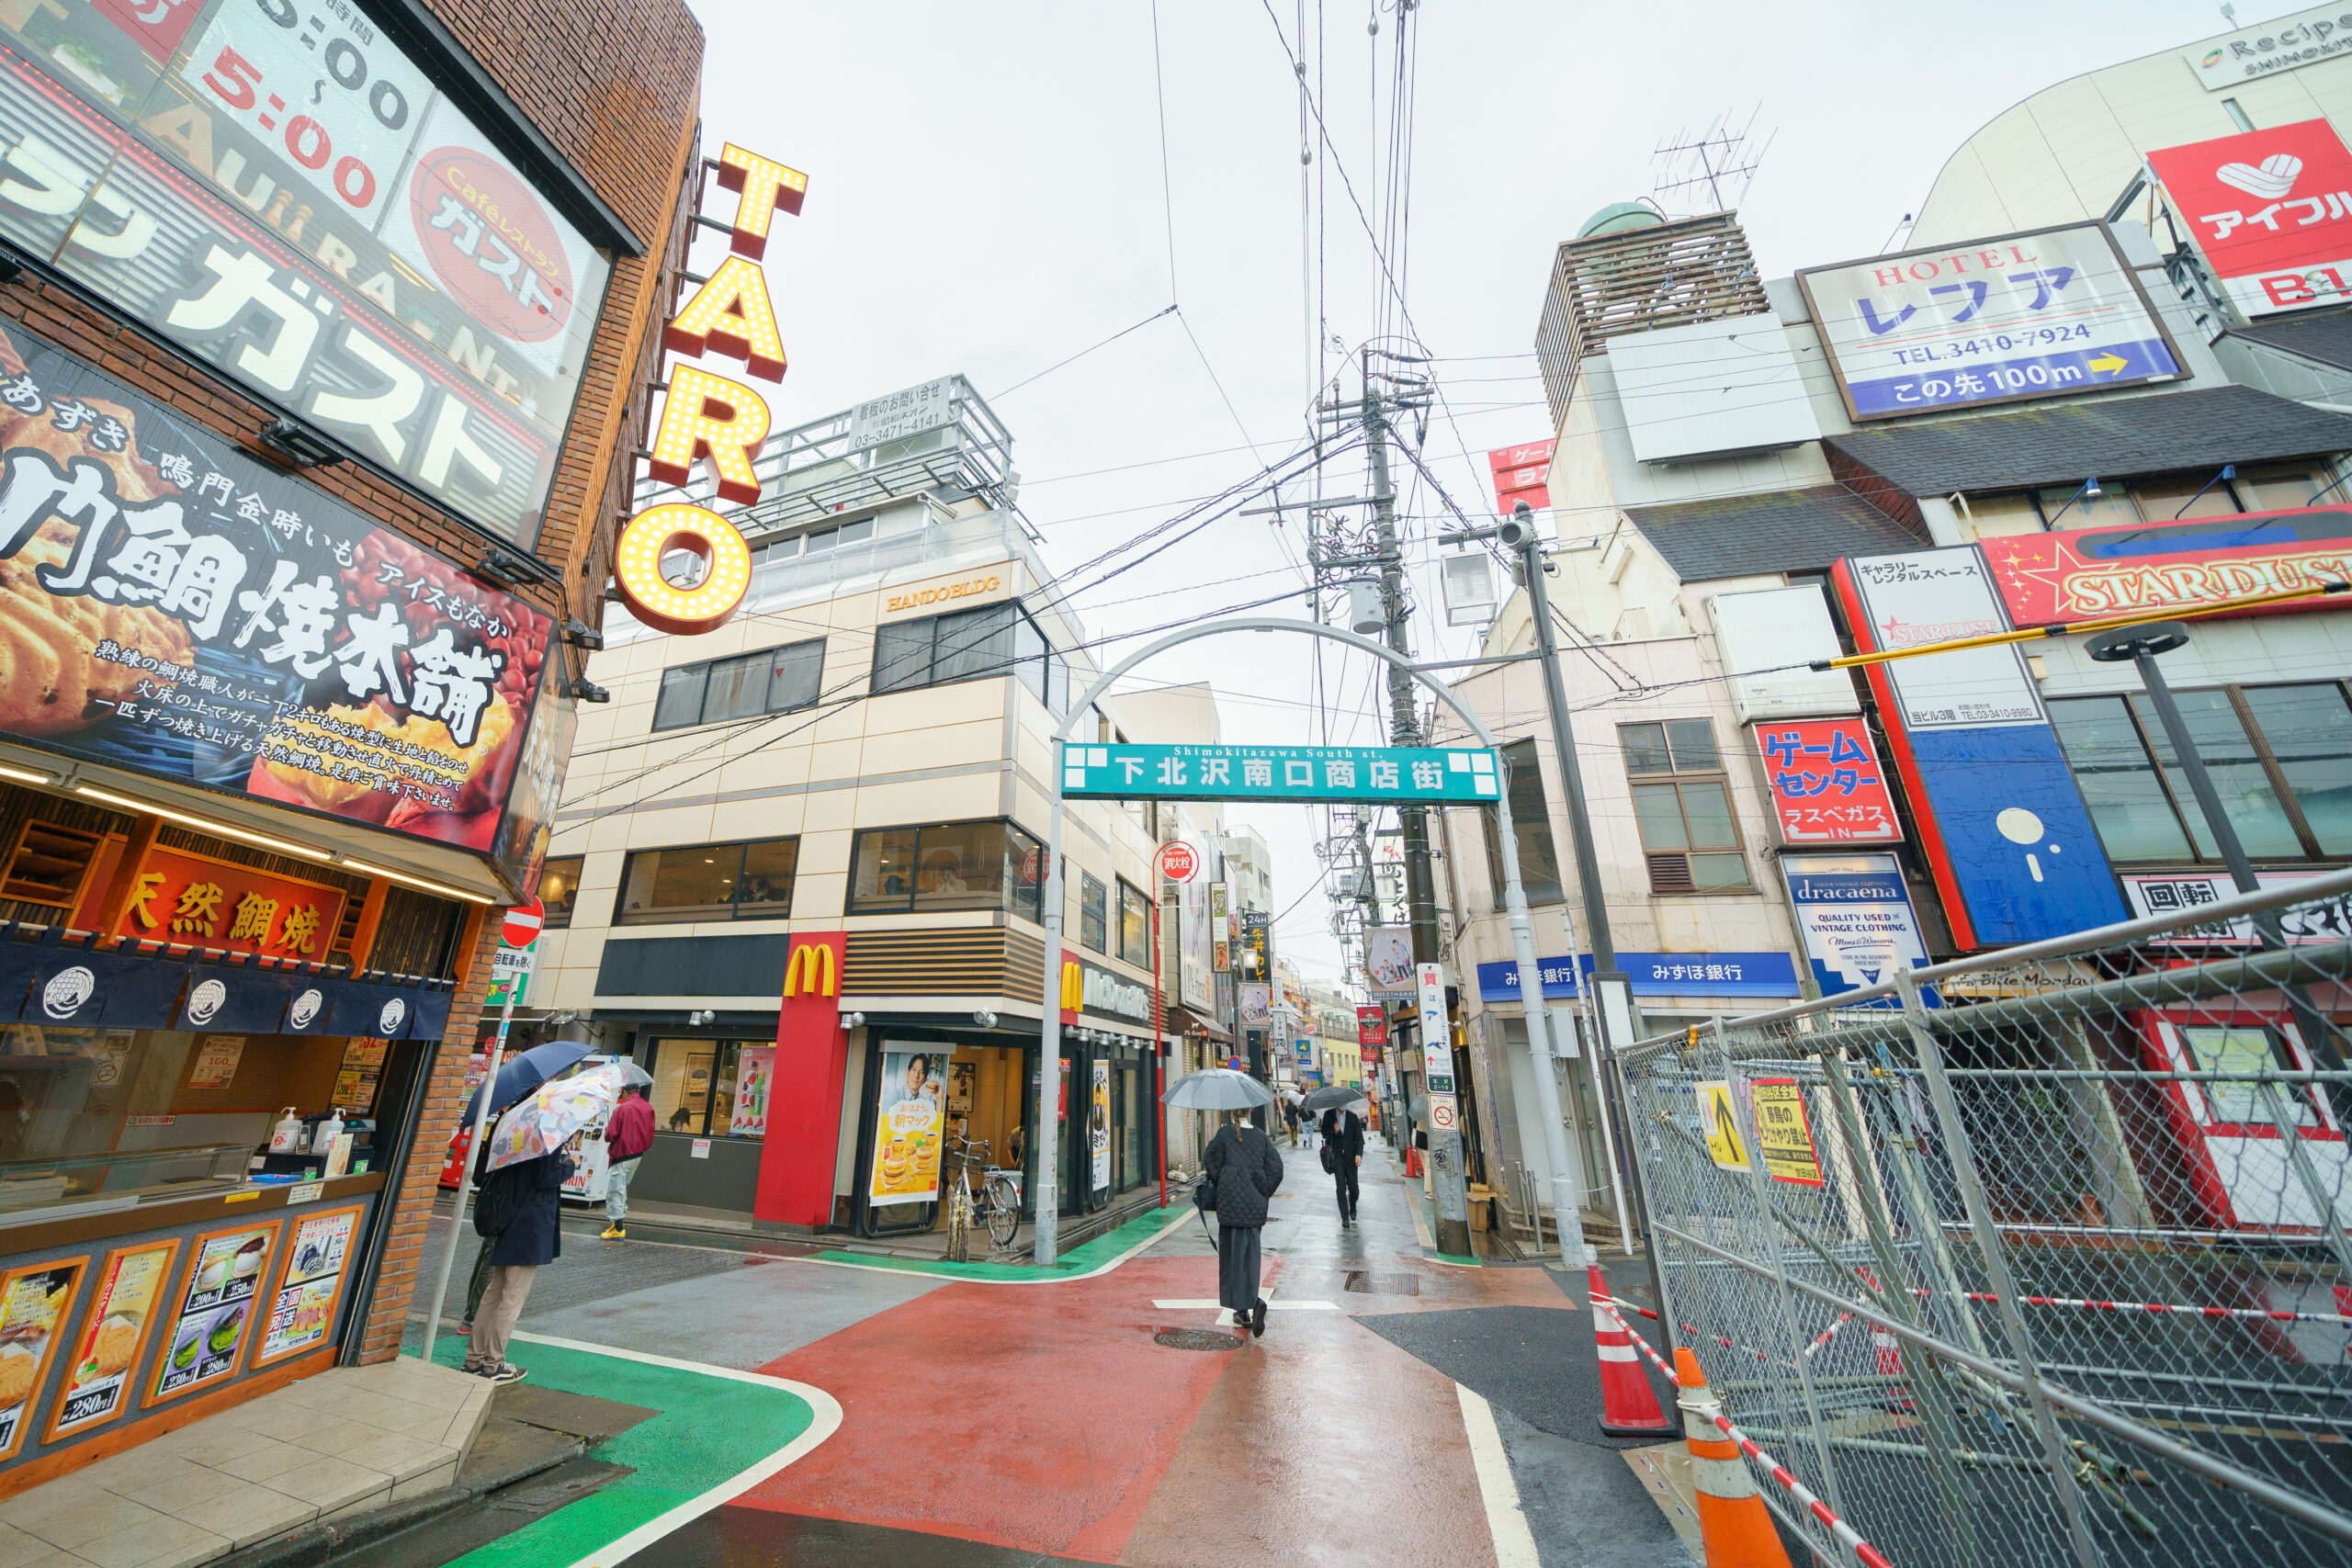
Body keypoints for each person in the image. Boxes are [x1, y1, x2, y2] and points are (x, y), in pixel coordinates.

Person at [463, 1145, 572, 1385]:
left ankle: (474, 1359)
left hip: (509, 1221)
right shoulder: (546, 1142)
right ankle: (493, 1364)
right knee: (512, 1298)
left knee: (493, 1293)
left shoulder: (515, 1138)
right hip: (531, 1227)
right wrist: (568, 1165)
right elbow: (546, 1178)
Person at [1202, 1109, 1284, 1338]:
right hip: (1254, 1207)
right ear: (1249, 1111)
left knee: (1232, 1258)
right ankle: (1248, 1305)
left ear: (1231, 1113)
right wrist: (1262, 1190)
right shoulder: (1261, 1137)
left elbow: (1210, 1159)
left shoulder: (1224, 1135)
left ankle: (1246, 1307)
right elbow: (1276, 1169)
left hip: (1230, 1205)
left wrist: (1225, 1180)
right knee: (1250, 1258)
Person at [600, 1082, 654, 1240]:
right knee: (622, 1188)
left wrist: (607, 1131)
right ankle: (617, 1222)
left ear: (625, 1092)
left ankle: (618, 1228)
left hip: (622, 1153)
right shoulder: (647, 1107)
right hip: (637, 1154)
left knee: (616, 1191)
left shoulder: (623, 1108)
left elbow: (611, 1134)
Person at [1321, 1100, 1365, 1226]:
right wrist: (1334, 1131)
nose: (1343, 1105)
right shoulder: (1329, 1115)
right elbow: (1324, 1134)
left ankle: (1353, 1207)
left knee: (1354, 1188)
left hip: (1351, 1158)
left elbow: (1360, 1139)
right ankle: (1344, 1217)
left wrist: (1359, 1155)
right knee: (1340, 1188)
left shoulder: (1353, 1117)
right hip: (1337, 1157)